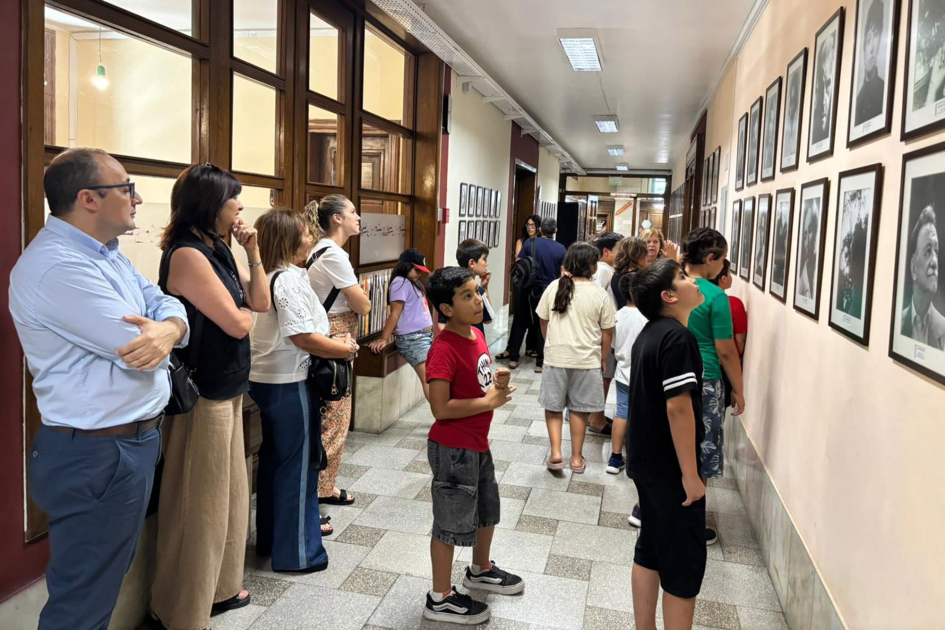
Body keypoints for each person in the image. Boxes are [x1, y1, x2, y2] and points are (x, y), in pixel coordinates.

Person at [9, 148, 188, 630]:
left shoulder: (107, 254)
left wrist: (169, 329)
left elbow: (163, 303)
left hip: (126, 443)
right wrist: (165, 332)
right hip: (96, 452)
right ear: (88, 198)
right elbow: (133, 343)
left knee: (100, 584)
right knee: (82, 601)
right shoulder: (58, 267)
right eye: (127, 188)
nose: (138, 197)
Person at [150, 163, 271, 629]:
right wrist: (242, 311)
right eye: (232, 198)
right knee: (198, 503)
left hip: (230, 385)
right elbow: (239, 323)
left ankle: (219, 589)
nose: (240, 205)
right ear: (210, 204)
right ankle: (182, 608)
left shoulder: (217, 247)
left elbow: (258, 304)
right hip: (203, 394)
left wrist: (253, 252)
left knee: (229, 495)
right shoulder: (186, 254)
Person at [249, 209, 358, 571]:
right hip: (288, 381)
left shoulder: (272, 275)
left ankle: (271, 539)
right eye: (304, 233)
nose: (310, 238)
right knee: (298, 467)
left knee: (276, 463)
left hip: (269, 380)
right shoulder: (286, 280)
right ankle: (298, 553)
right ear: (288, 240)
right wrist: (343, 349)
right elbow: (301, 336)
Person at [423, 267, 521, 625]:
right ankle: (440, 597)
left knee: (485, 510)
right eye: (467, 295)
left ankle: (479, 569)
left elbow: (477, 384)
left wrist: (496, 383)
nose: (478, 299)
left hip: (477, 444)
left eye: (476, 291)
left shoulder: (475, 334)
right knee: (449, 522)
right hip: (453, 449)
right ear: (447, 309)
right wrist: (488, 403)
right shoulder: (443, 348)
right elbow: (440, 408)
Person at [625, 258, 707, 630]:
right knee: (682, 561)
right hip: (669, 468)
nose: (694, 281)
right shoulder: (678, 338)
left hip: (646, 460)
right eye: (684, 277)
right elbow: (678, 408)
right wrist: (690, 475)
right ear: (669, 296)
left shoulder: (652, 332)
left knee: (652, 547)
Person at [681, 228, 746, 547]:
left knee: (674, 444)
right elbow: (725, 349)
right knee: (703, 449)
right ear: (711, 259)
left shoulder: (673, 282)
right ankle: (692, 522)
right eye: (722, 259)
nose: (724, 267)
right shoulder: (717, 296)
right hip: (706, 379)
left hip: (672, 373)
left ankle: (661, 509)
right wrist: (739, 388)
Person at [307, 195, 371, 506]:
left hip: (330, 333)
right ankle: (319, 491)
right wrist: (365, 298)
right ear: (337, 219)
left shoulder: (322, 249)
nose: (358, 217)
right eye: (353, 212)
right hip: (336, 335)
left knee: (331, 416)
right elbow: (363, 304)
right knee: (334, 418)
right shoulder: (333, 254)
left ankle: (324, 485)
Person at [537, 242, 616, 473]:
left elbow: (544, 321)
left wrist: (549, 345)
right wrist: (603, 357)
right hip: (586, 359)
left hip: (555, 357)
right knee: (580, 409)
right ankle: (577, 458)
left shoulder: (554, 287)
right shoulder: (600, 294)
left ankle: (555, 453)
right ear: (592, 267)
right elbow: (607, 331)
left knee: (553, 407)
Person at [497, 216, 567, 372]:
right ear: (555, 230)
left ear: (541, 229)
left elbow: (520, 263)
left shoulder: (530, 243)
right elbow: (562, 273)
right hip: (548, 290)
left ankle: (514, 357)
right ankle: (540, 363)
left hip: (527, 289)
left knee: (520, 321)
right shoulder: (561, 248)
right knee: (543, 322)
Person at [369, 248, 434, 398]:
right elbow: (395, 313)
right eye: (417, 270)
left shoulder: (412, 282)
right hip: (414, 339)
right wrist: (384, 338)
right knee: (429, 379)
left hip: (423, 336)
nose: (420, 273)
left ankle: (444, 416)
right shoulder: (400, 282)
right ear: (406, 266)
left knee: (432, 378)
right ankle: (444, 416)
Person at [609, 273, 648, 517]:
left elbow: (613, 346)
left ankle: (614, 458)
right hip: (643, 375)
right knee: (641, 417)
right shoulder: (647, 318)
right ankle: (635, 456)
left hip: (623, 372)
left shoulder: (617, 315)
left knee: (621, 412)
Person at [589, 232, 623, 432]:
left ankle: (595, 415)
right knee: (603, 376)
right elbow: (596, 300)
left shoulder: (606, 268)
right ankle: (597, 419)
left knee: (604, 376)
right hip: (603, 332)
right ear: (606, 251)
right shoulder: (602, 270)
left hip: (605, 331)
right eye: (619, 250)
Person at [901, 207, 944, 349]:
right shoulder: (898, 324)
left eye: (936, 251)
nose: (934, 262)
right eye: (928, 251)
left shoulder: (943, 330)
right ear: (914, 269)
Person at [435, 239, 494, 335]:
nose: (487, 263)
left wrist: (485, 287)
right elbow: (442, 324)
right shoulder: (451, 289)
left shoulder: (480, 290)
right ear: (472, 263)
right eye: (484, 259)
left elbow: (488, 319)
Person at [711, 260, 748, 412]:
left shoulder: (694, 301)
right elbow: (738, 344)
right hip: (721, 369)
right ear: (723, 279)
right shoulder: (733, 304)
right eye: (729, 273)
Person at [513, 215, 542, 357]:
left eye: (533, 225)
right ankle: (514, 350)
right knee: (522, 314)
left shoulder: (541, 242)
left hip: (537, 282)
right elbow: (519, 259)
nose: (530, 227)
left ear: (538, 227)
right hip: (524, 282)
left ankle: (532, 347)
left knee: (536, 315)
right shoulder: (522, 241)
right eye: (528, 225)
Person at [855, 0, 886, 126]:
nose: (872, 48)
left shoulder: (884, 91)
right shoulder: (857, 101)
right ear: (863, 45)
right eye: (868, 39)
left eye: (876, 36)